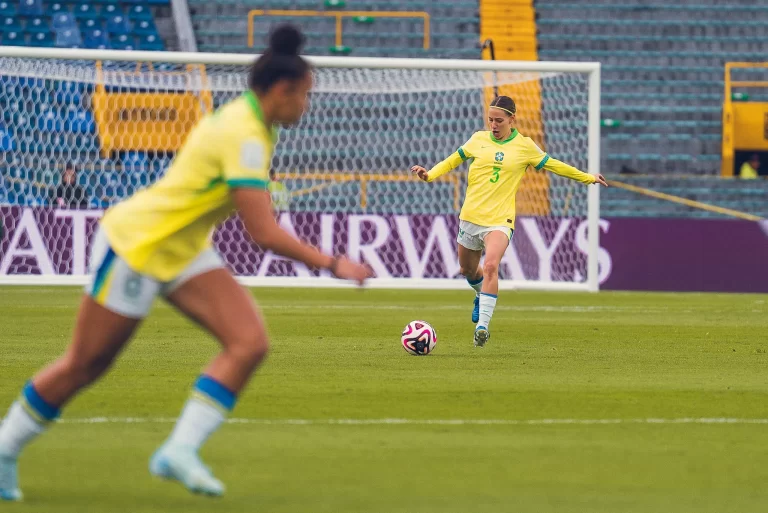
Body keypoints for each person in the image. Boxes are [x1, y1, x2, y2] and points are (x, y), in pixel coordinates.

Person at [0, 25, 369, 502]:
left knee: (248, 343)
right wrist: (333, 262)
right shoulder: (245, 134)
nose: (307, 106)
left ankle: (179, 450)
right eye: (305, 95)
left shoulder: (251, 122)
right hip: (138, 246)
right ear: (282, 91)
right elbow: (262, 233)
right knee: (85, 365)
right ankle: (5, 449)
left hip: (183, 248)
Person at [411, 95, 607, 347]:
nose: (493, 124)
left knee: (491, 265)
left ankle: (482, 327)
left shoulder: (525, 146)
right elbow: (452, 161)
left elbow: (554, 166)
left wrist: (587, 177)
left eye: (499, 120)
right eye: (490, 119)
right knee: (468, 270)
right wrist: (429, 175)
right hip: (470, 217)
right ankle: (480, 294)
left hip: (500, 220)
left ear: (512, 119)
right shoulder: (477, 139)